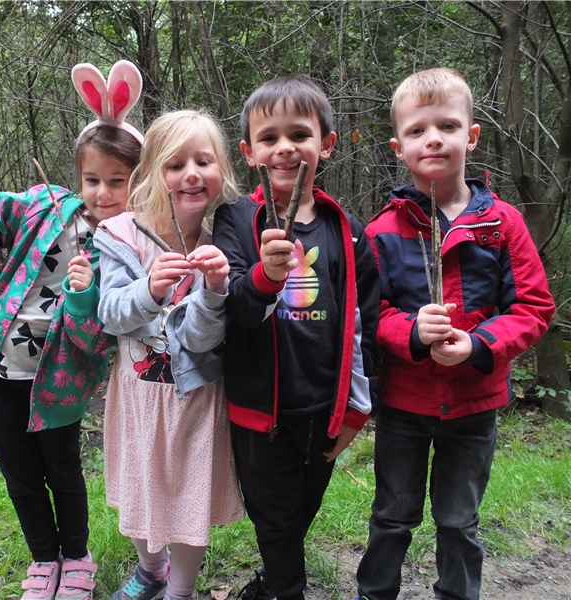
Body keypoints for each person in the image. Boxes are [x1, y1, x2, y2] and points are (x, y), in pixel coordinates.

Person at [0, 61, 144, 600]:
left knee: (62, 471)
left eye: (118, 182)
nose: (103, 193)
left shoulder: (128, 250)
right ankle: (43, 562)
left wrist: (83, 294)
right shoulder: (45, 206)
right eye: (93, 179)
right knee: (19, 475)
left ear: (138, 183)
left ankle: (76, 560)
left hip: (58, 380)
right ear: (78, 177)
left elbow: (97, 342)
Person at [355, 67, 555, 600]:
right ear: (399, 147)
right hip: (405, 404)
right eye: (418, 130)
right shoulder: (382, 230)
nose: (434, 138)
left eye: (447, 125)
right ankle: (373, 594)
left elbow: (534, 306)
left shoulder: (503, 223)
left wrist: (480, 343)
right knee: (392, 516)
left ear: (471, 135)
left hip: (474, 406)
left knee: (458, 521)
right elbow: (372, 315)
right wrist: (413, 332)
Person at [211, 76, 380, 600]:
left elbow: (365, 325)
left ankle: (272, 579)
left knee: (301, 509)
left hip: (324, 409)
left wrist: (356, 410)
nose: (284, 147)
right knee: (274, 517)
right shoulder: (237, 219)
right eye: (269, 138)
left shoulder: (346, 229)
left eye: (299, 134)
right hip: (262, 413)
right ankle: (285, 588)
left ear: (325, 144)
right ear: (249, 152)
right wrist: (264, 275)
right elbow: (235, 306)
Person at [93, 110, 245, 600]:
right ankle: (150, 569)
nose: (191, 174)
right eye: (175, 164)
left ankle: (179, 590)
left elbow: (201, 340)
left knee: (187, 499)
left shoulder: (223, 242)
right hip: (138, 397)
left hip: (196, 398)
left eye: (204, 161)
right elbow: (112, 315)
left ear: (222, 170)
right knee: (138, 488)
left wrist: (215, 289)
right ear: (153, 171)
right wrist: (150, 289)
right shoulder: (119, 233)